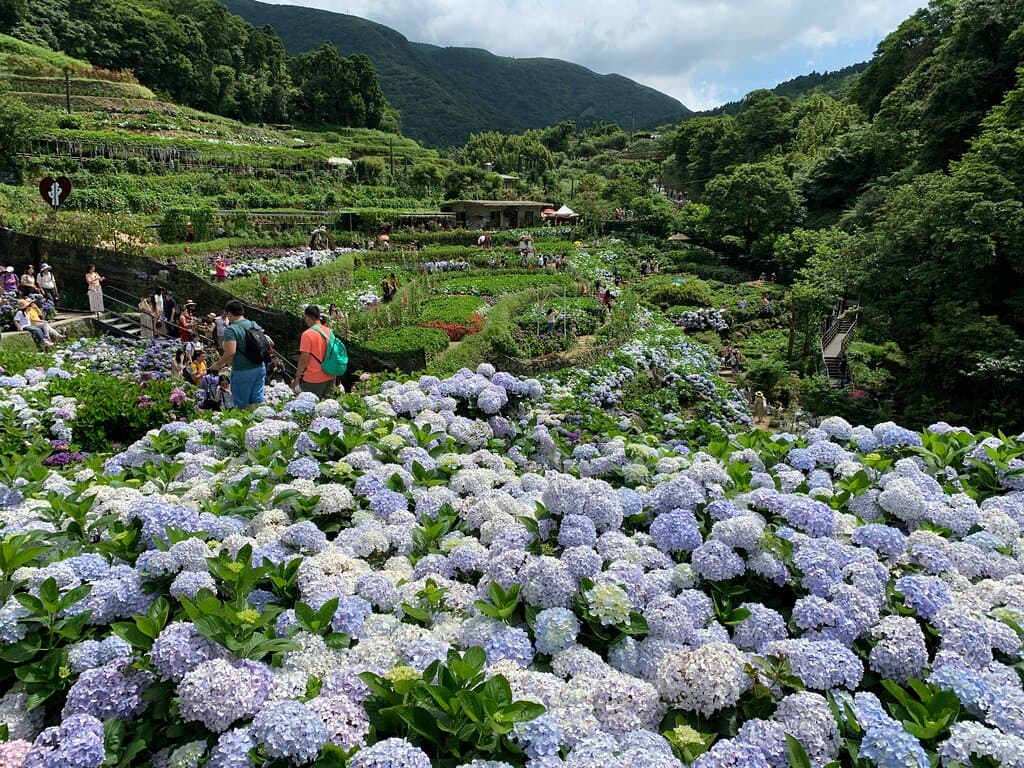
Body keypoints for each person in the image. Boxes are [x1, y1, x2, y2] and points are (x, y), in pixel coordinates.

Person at [215, 299, 266, 409]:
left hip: (242, 371)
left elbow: (231, 352)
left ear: (229, 313)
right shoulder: (253, 324)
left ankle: (245, 425)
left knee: (241, 405)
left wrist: (217, 365)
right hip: (259, 367)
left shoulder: (231, 329)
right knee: (257, 402)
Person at [292, 305, 336, 398]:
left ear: (307, 317)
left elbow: (304, 359)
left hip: (314, 378)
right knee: (326, 406)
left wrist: (297, 378)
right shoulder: (329, 331)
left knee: (307, 404)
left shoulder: (307, 334)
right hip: (331, 375)